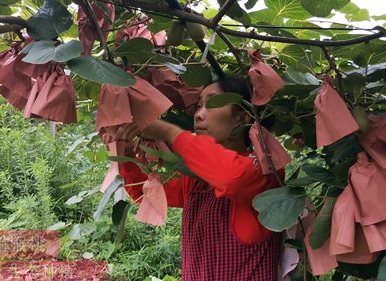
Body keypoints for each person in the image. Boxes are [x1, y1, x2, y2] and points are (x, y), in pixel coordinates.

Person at [102, 76, 285, 280]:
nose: (199, 115)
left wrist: (170, 132)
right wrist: (128, 157)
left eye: (212, 104)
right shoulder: (196, 177)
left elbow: (232, 177)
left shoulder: (264, 168)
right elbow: (146, 196)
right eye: (199, 106)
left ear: (242, 117)